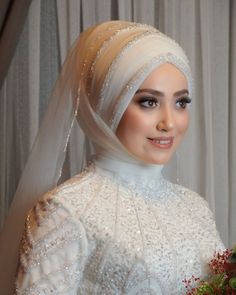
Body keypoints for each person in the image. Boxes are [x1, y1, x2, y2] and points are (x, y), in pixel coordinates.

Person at [0, 20, 224, 295]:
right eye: (149, 102)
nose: (169, 123)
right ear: (109, 104)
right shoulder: (65, 210)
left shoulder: (195, 207)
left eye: (181, 102)